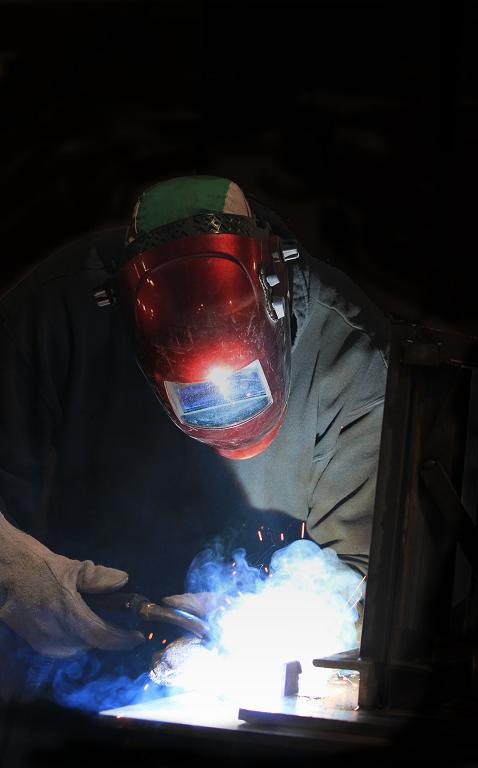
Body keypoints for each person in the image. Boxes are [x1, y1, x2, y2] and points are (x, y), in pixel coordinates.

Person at [0, 175, 389, 701]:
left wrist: (278, 623)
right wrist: (12, 569)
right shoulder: (57, 310)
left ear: (274, 298)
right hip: (77, 657)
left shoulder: (349, 352)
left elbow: (368, 581)